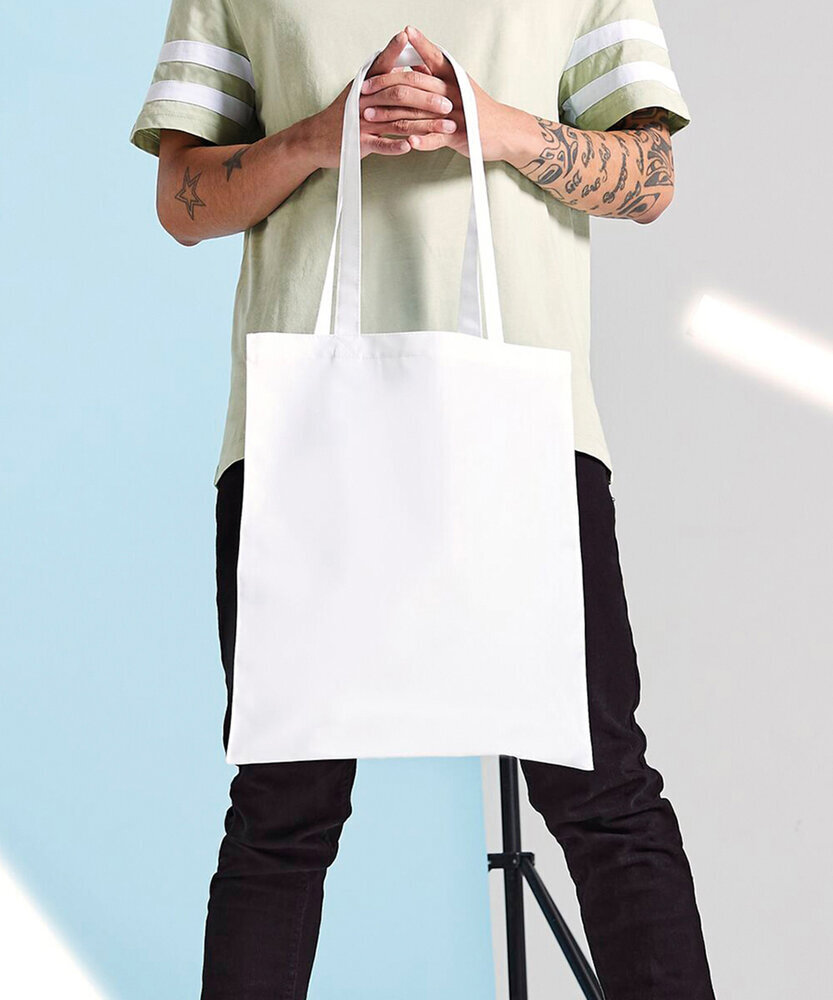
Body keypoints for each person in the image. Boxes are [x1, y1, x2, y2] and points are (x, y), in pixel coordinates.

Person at [129, 4, 717, 998]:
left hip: (526, 428)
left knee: (601, 789)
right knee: (282, 805)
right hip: (301, 440)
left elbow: (651, 179)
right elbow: (182, 203)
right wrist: (320, 138)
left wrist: (494, 126)